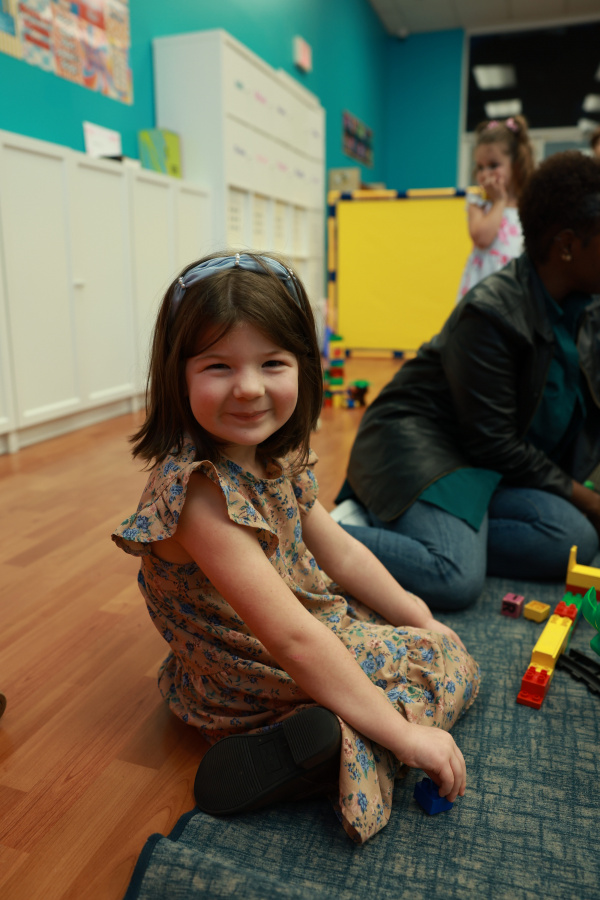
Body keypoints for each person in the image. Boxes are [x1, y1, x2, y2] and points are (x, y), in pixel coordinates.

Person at [112, 252, 479, 843]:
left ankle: (330, 738)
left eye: (272, 363)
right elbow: (292, 639)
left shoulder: (272, 457)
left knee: (420, 634)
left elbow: (344, 555)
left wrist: (420, 614)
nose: (249, 387)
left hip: (279, 642)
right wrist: (408, 737)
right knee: (448, 665)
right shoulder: (198, 494)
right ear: (178, 374)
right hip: (245, 675)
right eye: (218, 366)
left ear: (303, 367)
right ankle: (341, 745)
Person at [334, 151, 600, 611]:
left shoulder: (585, 306)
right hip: (416, 446)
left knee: (574, 539)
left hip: (481, 463)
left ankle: (425, 528)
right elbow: (494, 443)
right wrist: (590, 500)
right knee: (454, 576)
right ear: (567, 246)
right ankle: (318, 533)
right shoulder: (492, 312)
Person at [456, 116, 535, 302]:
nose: (485, 174)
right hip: (482, 290)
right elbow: (482, 238)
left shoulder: (528, 205)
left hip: (515, 289)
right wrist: (499, 202)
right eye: (480, 167)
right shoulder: (478, 203)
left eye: (493, 165)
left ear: (516, 165)